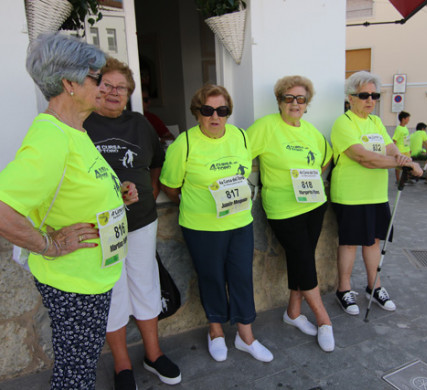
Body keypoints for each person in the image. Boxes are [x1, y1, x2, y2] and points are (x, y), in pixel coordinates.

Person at [0, 33, 138, 389]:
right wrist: (49, 244)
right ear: (69, 84)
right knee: (75, 374)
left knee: (81, 363)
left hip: (91, 277)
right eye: (96, 77)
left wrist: (114, 196)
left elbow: (72, 189)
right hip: (73, 283)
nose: (104, 86)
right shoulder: (52, 136)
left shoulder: (74, 130)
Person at [84, 58, 181, 389]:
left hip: (141, 221)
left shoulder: (140, 124)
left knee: (145, 283)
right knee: (113, 291)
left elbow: (156, 161)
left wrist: (151, 190)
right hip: (101, 226)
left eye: (120, 88)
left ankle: (153, 354)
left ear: (129, 93)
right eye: (106, 85)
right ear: (95, 88)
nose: (113, 92)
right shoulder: (81, 124)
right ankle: (122, 363)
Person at [160, 85, 273, 363]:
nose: (215, 117)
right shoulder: (184, 144)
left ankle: (246, 335)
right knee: (211, 278)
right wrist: (196, 205)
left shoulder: (241, 138)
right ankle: (216, 331)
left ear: (228, 113)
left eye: (222, 111)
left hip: (239, 222)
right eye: (207, 110)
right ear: (197, 112)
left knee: (241, 277)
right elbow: (171, 186)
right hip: (202, 227)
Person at [247, 75, 335, 352]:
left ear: (307, 104)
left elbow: (326, 158)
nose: (295, 103)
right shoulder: (265, 127)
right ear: (279, 101)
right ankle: (324, 319)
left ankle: (293, 313)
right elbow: (239, 153)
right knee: (303, 258)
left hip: (314, 204)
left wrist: (310, 178)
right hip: (283, 208)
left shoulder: (311, 132)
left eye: (301, 99)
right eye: (289, 98)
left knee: (303, 257)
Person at [330, 71, 422, 317]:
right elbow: (363, 157)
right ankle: (344, 289)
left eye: (375, 95)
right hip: (350, 194)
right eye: (364, 95)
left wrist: (404, 159)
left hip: (376, 194)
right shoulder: (344, 123)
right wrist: (399, 164)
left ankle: (375, 286)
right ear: (350, 98)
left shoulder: (376, 122)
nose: (370, 100)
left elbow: (391, 148)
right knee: (349, 243)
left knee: (374, 241)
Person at [392, 111, 411, 183]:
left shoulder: (405, 128)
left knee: (408, 165)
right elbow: (394, 140)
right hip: (400, 150)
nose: (408, 120)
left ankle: (406, 178)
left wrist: (409, 149)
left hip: (406, 150)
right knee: (398, 166)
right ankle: (398, 180)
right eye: (408, 118)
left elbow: (407, 139)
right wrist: (393, 150)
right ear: (403, 119)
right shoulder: (399, 129)